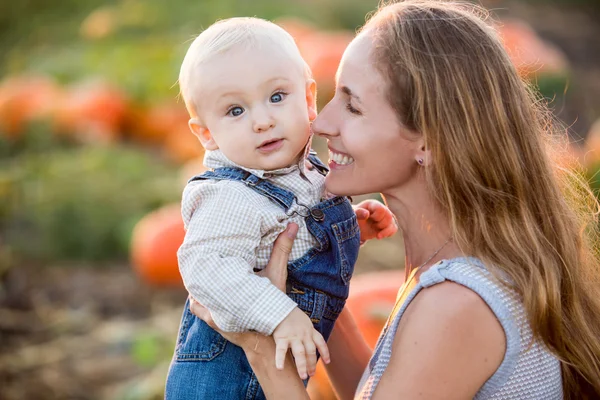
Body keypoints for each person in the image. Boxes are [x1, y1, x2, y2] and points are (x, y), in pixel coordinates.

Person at [190, 1, 600, 399]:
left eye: (352, 105)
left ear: (428, 140)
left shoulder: (456, 306)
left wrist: (262, 352)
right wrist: (314, 272)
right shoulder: (460, 262)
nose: (323, 122)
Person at [164, 17, 398, 400]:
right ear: (206, 133)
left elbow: (294, 234)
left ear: (308, 99)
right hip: (223, 386)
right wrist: (281, 315)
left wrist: (352, 229)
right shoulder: (230, 196)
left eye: (276, 97)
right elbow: (206, 268)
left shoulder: (301, 173)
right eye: (236, 111)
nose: (263, 121)